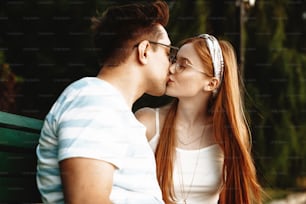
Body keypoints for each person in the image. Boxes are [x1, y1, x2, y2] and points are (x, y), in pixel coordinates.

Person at [36, 1, 179, 203]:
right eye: (168, 53)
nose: (172, 65)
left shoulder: (109, 107)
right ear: (144, 51)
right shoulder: (94, 99)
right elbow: (87, 200)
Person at [135, 34, 263, 204]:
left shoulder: (228, 135)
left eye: (183, 65)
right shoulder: (147, 122)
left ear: (211, 83)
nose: (172, 69)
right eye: (174, 61)